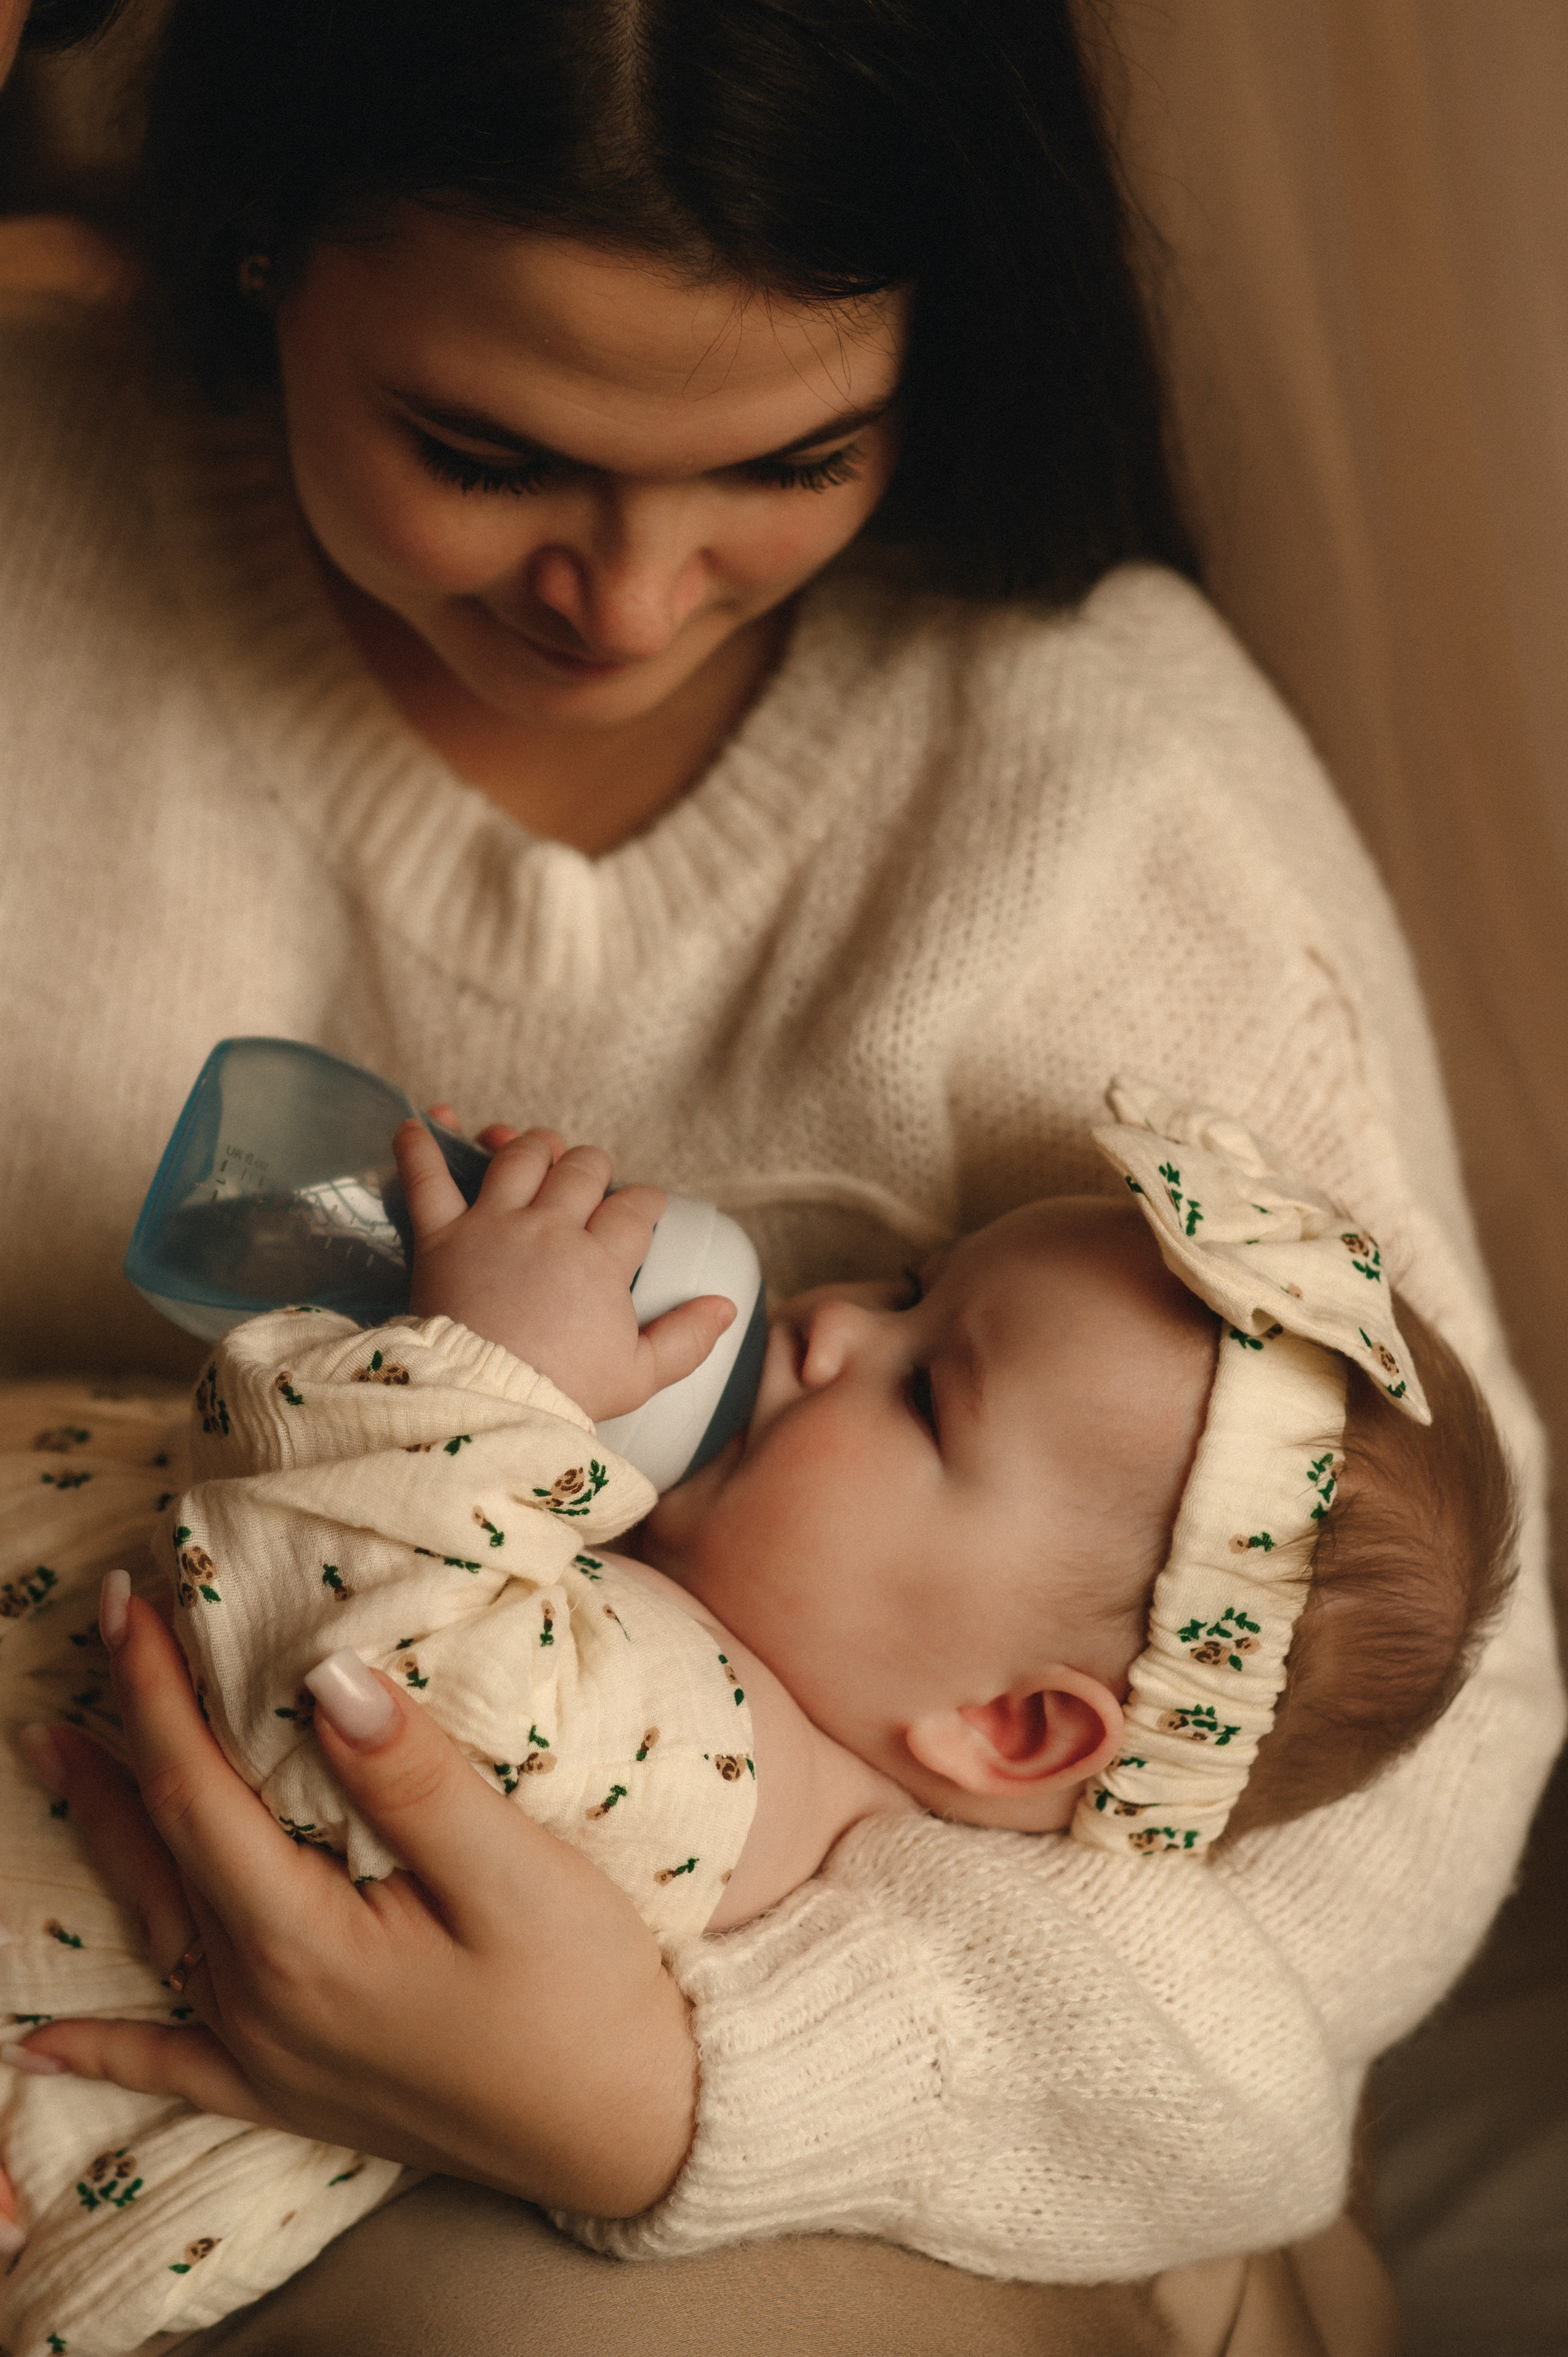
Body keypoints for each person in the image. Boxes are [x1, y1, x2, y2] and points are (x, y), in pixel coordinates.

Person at [0, 1, 1559, 2348]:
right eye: (484, 451)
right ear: (259, 247)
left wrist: (662, 2086)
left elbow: (1363, 1820)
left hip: (876, 2155)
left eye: (795, 456)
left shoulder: (1092, 796)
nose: (629, 597)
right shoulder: (40, 519)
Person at [0, 1090, 1526, 2355]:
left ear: (1006, 1729)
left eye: (923, 1394)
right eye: (910, 1286)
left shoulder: (709, 1752)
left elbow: (356, 1675)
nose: (826, 1323)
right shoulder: (656, 1582)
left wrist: (486, 1383)